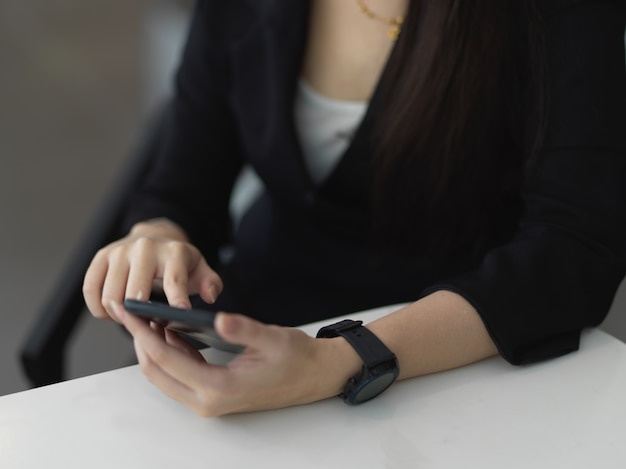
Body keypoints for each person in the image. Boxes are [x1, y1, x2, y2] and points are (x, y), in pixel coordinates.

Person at [83, 0, 626, 417]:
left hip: (458, 351)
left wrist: (338, 361)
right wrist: (154, 237)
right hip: (261, 321)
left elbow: (577, 244)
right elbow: (182, 183)